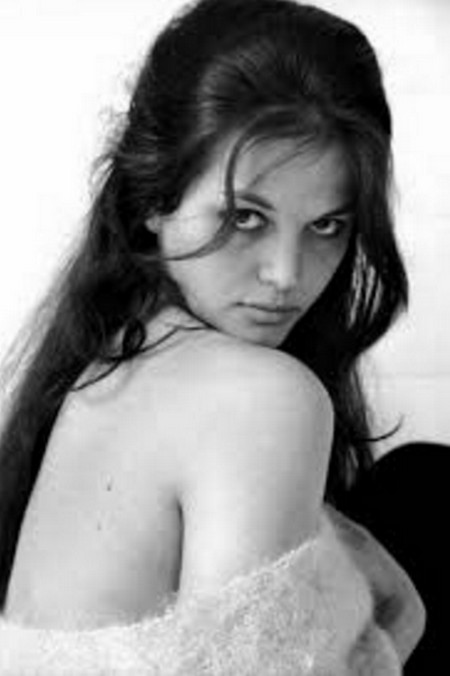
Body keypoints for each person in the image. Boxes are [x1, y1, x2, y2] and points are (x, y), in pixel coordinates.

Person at [0, 0, 425, 669]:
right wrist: (398, 627)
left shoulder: (117, 350)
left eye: (327, 226)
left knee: (418, 481)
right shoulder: (263, 396)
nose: (287, 276)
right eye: (245, 218)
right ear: (152, 201)